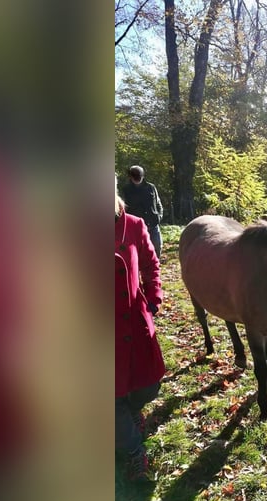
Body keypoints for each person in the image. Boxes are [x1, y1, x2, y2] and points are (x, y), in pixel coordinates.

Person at [115, 176, 165, 481]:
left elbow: (150, 263)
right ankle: (135, 454)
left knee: (149, 385)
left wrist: (153, 298)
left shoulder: (133, 224)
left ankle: (132, 410)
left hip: (134, 320)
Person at [120, 165, 164, 258]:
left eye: (139, 176)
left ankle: (154, 268)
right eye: (134, 176)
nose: (137, 179)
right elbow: (123, 208)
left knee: (157, 247)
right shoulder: (126, 190)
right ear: (130, 177)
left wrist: (159, 216)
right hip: (135, 226)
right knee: (136, 251)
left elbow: (158, 203)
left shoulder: (151, 187)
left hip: (152, 224)